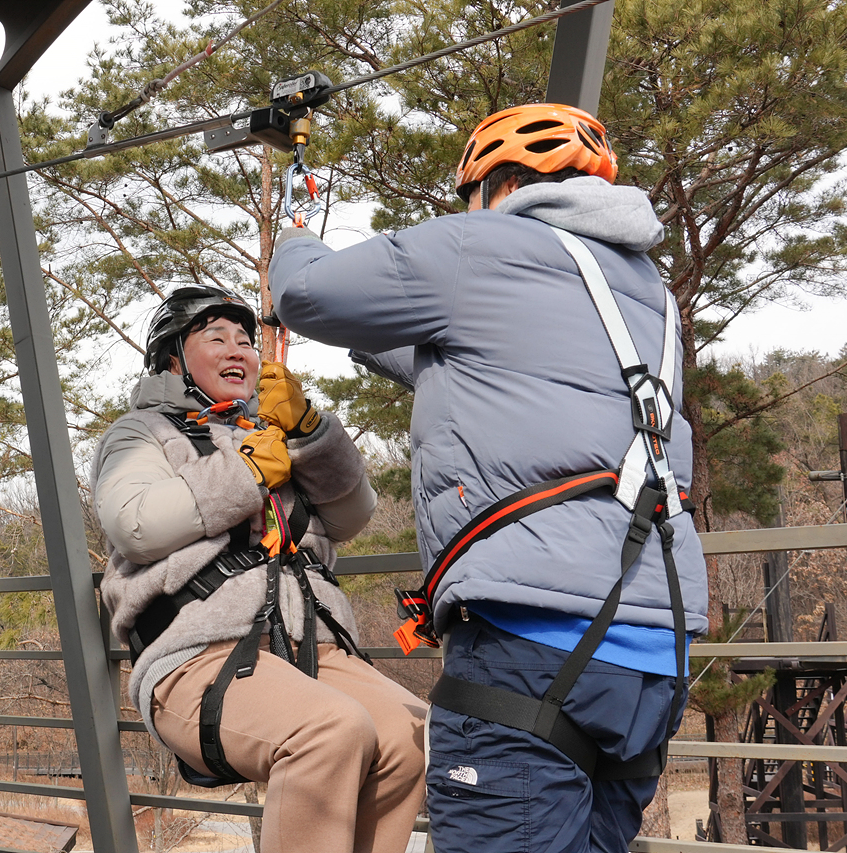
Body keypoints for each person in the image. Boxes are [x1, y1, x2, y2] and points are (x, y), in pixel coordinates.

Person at [268, 103, 709, 852]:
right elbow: (496, 369)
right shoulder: (645, 293)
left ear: (497, 184)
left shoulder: (485, 240)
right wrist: (375, 348)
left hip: (530, 648)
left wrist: (293, 238)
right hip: (651, 654)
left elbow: (306, 294)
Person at [92, 284, 427, 853]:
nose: (236, 349)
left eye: (245, 341)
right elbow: (135, 525)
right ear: (174, 358)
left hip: (311, 652)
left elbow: (353, 515)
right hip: (199, 654)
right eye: (214, 337)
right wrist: (244, 474)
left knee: (410, 733)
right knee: (329, 731)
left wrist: (310, 432)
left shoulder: (273, 436)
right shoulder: (143, 432)